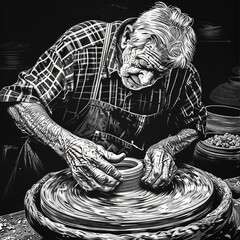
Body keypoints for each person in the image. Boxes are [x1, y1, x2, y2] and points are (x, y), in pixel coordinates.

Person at [0, 1, 206, 193]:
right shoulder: (81, 45)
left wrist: (168, 146)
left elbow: (195, 124)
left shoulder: (180, 70)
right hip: (48, 178)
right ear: (127, 37)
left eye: (159, 74)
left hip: (126, 189)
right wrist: (67, 144)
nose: (145, 81)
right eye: (143, 65)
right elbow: (19, 100)